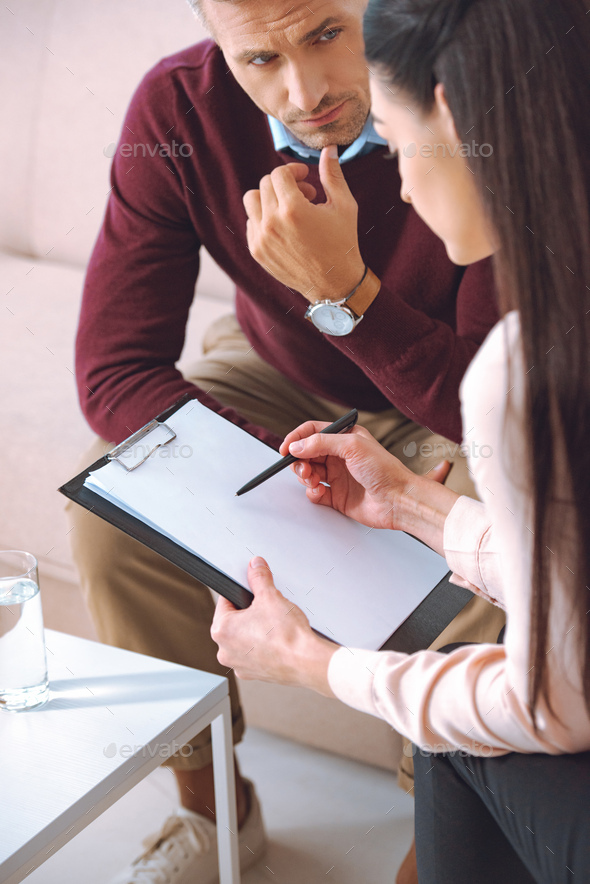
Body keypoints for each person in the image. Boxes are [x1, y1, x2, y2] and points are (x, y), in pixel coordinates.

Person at [68, 0, 506, 881]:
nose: (303, 93)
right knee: (115, 514)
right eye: (259, 58)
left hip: (451, 388)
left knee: (502, 552)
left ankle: (445, 844)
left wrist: (344, 289)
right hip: (276, 375)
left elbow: (492, 398)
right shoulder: (180, 112)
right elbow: (114, 368)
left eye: (325, 35)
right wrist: (283, 474)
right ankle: (214, 811)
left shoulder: (463, 103)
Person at [211, 0, 590, 880]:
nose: (406, 189)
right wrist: (422, 508)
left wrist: (314, 664)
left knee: (465, 726)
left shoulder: (532, 361)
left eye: (390, 130)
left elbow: (554, 705)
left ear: (452, 113)